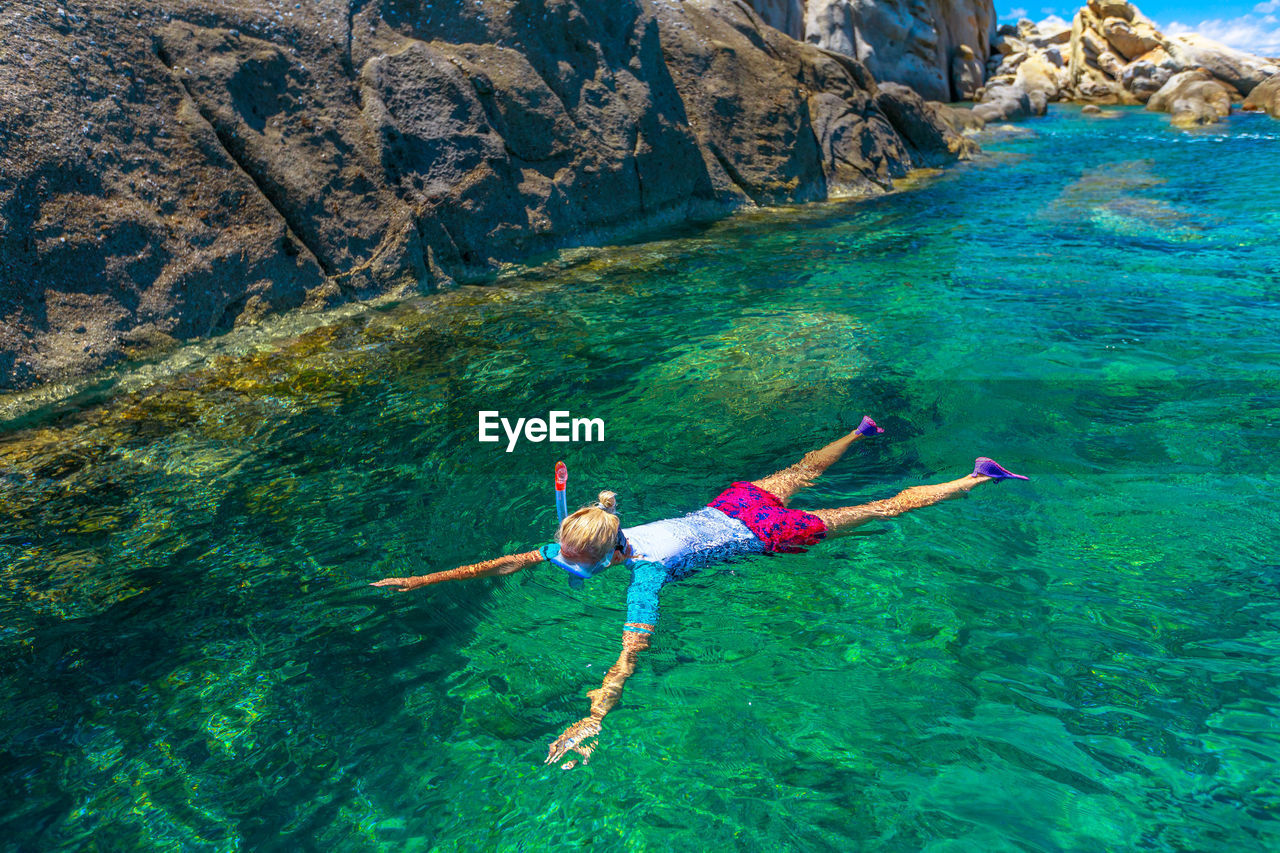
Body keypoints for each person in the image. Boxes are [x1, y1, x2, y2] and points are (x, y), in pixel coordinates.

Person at [371, 417, 1030, 768]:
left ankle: (975, 479)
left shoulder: (646, 578)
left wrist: (596, 716)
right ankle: (861, 431)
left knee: (881, 509)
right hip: (734, 501)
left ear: (597, 556)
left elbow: (628, 657)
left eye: (572, 564)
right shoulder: (606, 529)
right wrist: (425, 579)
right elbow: (512, 559)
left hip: (769, 533)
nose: (563, 564)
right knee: (799, 470)